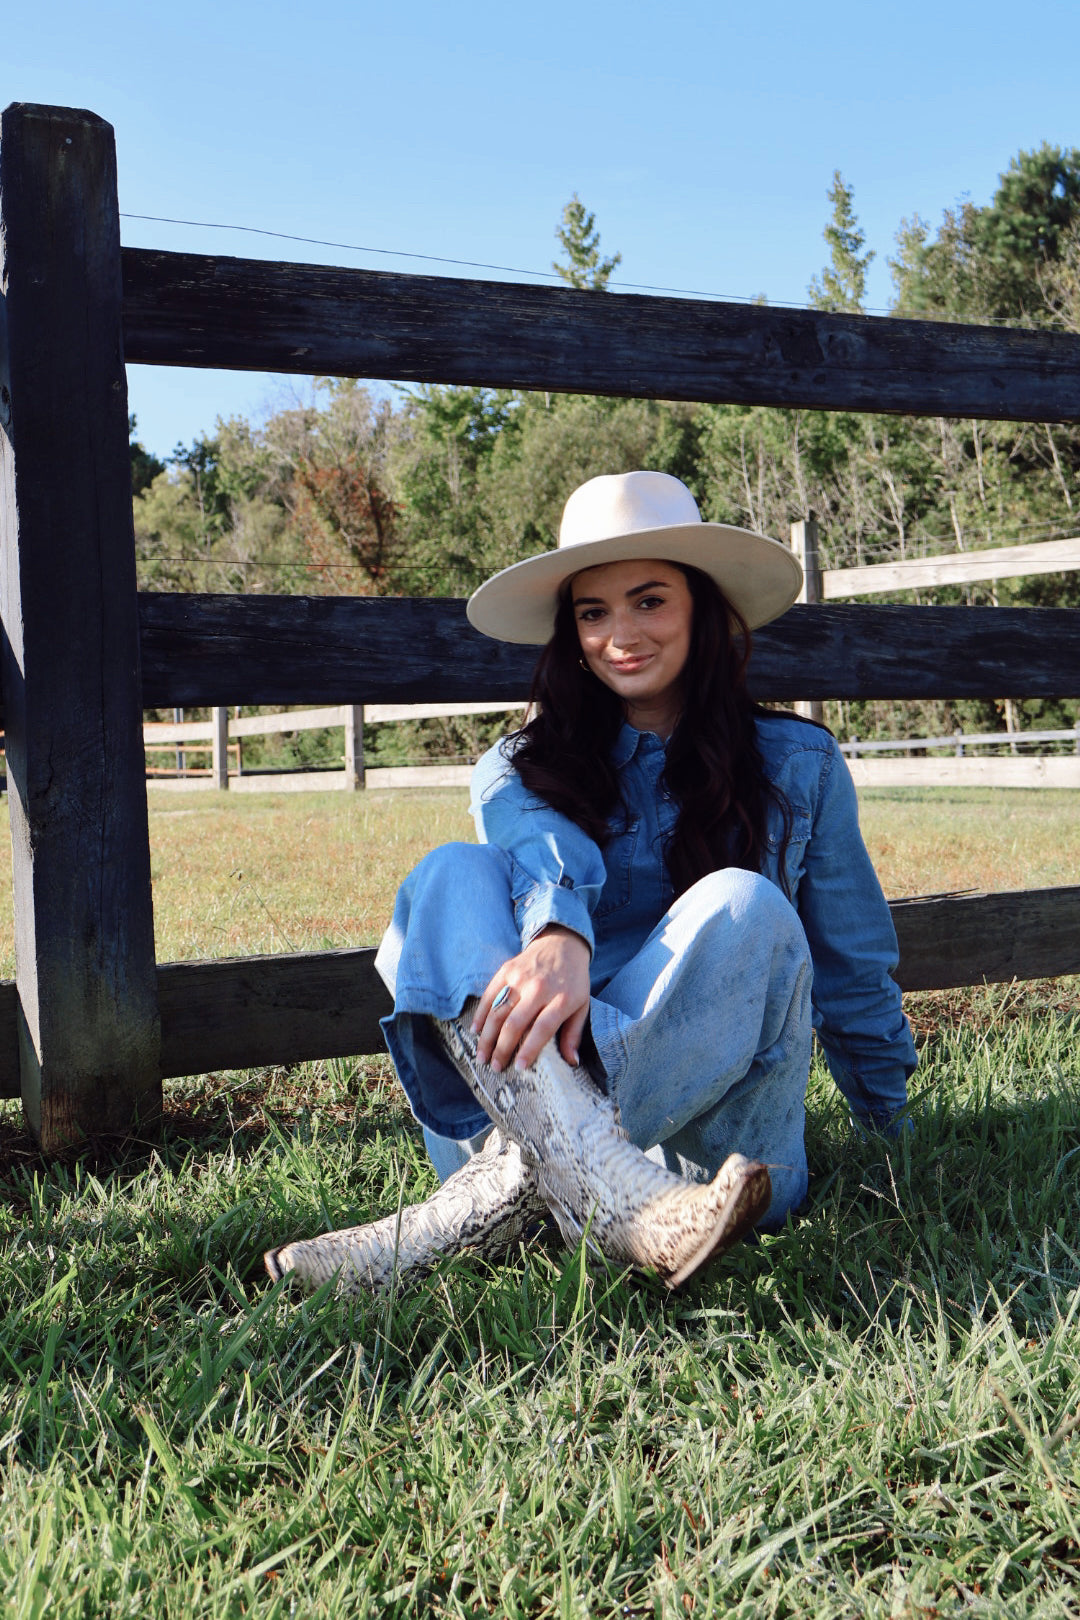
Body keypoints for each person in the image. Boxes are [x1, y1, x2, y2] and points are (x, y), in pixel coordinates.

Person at [265, 471, 916, 1296]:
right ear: (571, 634)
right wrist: (559, 935)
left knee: (744, 903)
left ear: (703, 611)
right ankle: (598, 1190)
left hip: (714, 1160)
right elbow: (544, 848)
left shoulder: (799, 762)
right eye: (593, 611)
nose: (621, 634)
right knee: (449, 874)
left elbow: (852, 960)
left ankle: (482, 1212)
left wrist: (889, 1126)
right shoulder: (514, 768)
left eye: (650, 601)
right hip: (523, 1104)